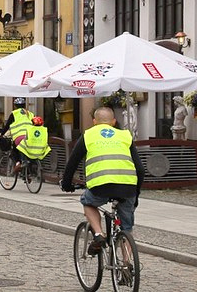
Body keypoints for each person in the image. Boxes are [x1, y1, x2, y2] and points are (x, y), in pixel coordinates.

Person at [60, 107, 145, 256]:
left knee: (88, 202)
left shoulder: (89, 135)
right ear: (113, 122)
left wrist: (67, 184)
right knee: (127, 229)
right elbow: (140, 169)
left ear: (94, 122)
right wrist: (135, 194)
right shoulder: (125, 135)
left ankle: (99, 234)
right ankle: (126, 266)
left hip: (101, 185)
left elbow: (72, 163)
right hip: (128, 186)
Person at [0, 97, 34, 173]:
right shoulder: (30, 114)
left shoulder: (14, 113)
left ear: (15, 106)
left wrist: (1, 134)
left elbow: (7, 126)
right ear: (24, 105)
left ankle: (18, 163)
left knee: (14, 149)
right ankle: (29, 172)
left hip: (19, 136)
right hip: (30, 137)